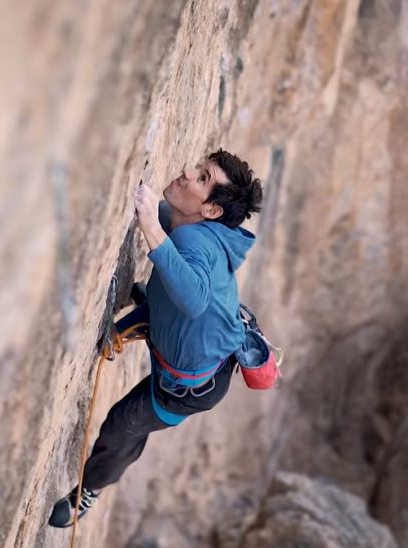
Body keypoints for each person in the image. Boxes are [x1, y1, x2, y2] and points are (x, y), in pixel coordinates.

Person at [49, 149, 263, 528]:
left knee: (123, 423)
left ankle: (88, 492)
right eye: (200, 169)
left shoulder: (196, 243)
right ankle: (148, 312)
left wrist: (149, 225)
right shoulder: (188, 225)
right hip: (189, 344)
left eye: (202, 178)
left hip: (190, 388)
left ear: (212, 210)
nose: (187, 172)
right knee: (156, 293)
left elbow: (194, 299)